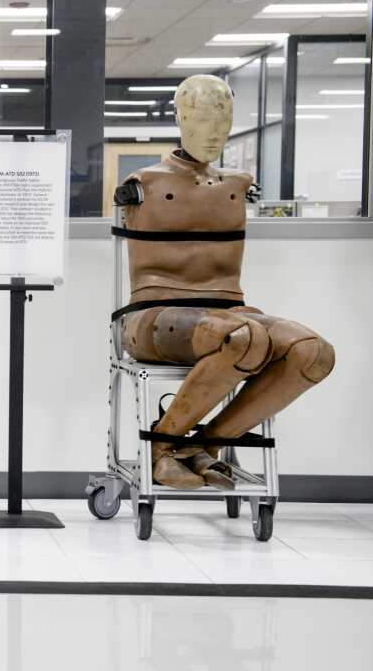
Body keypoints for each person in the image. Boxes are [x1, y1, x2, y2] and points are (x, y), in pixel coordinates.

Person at [116, 75, 335, 489]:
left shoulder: (239, 185)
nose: (213, 132)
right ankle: (160, 448)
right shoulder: (142, 183)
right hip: (153, 315)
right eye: (201, 119)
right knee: (245, 337)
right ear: (180, 117)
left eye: (222, 120)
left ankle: (202, 447)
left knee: (314, 353)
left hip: (227, 312)